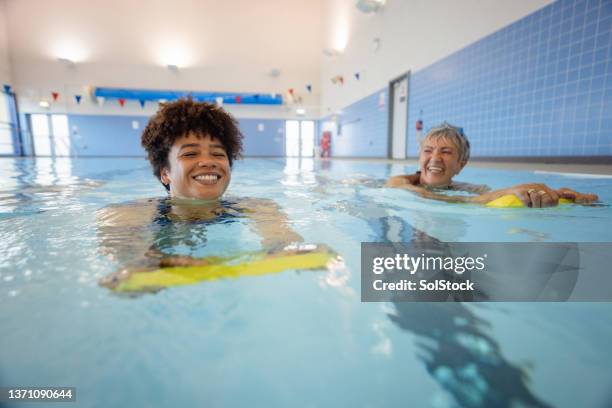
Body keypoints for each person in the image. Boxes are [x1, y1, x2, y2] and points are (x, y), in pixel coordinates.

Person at [97, 98, 336, 293]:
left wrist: (289, 249)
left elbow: (281, 240)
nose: (208, 162)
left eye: (219, 154)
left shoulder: (259, 207)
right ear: (165, 173)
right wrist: (150, 261)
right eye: (190, 154)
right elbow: (125, 248)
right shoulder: (131, 212)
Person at [387, 122, 599, 207]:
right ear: (420, 158)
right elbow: (425, 196)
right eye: (428, 150)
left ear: (461, 164)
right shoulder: (399, 181)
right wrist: (489, 197)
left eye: (446, 151)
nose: (434, 157)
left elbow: (502, 196)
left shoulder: (472, 189)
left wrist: (559, 196)